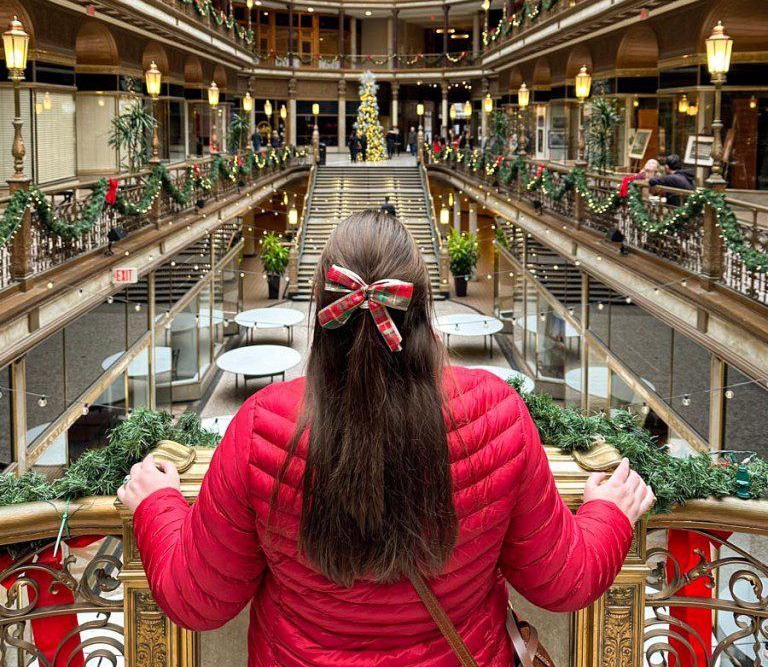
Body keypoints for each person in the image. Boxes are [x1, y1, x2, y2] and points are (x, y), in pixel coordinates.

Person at [119, 211, 654, 667]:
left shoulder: (262, 426)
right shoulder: (497, 413)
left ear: (321, 317)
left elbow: (198, 601)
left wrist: (158, 504)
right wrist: (608, 511)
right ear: (423, 312)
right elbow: (561, 582)